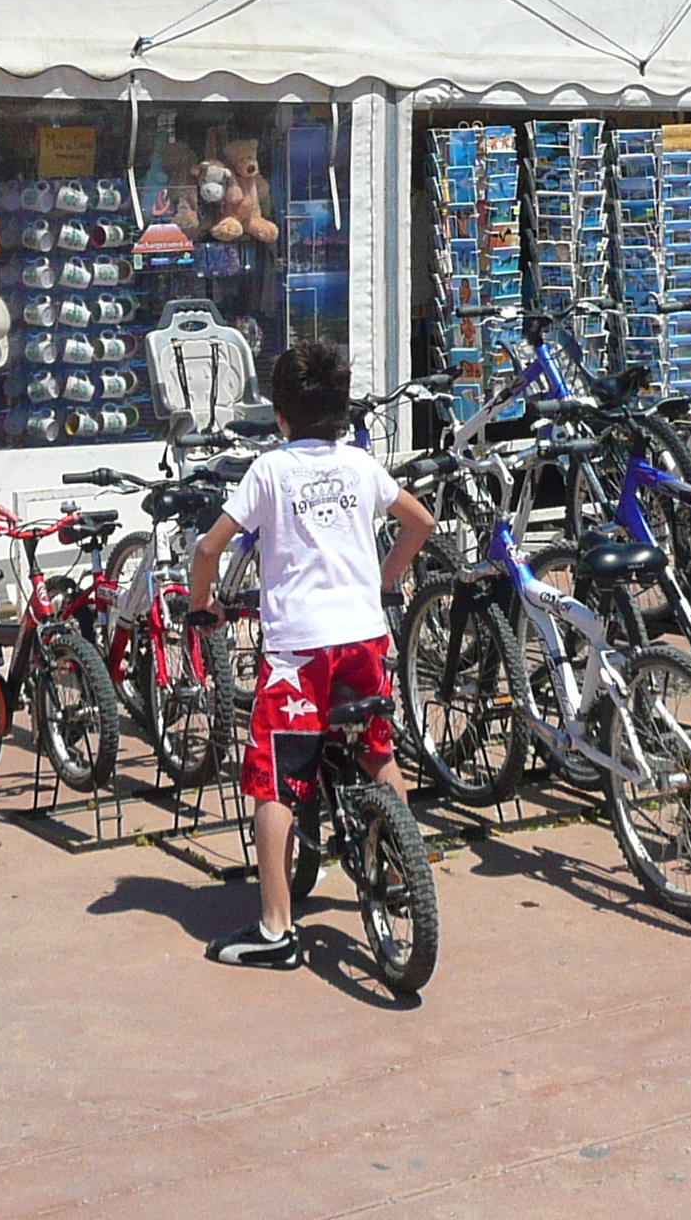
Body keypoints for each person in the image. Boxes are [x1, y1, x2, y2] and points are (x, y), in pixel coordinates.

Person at [185, 341, 434, 971]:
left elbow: (211, 548)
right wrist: (385, 580)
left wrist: (202, 605)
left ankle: (276, 929)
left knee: (275, 782)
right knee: (376, 751)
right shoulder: (360, 465)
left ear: (281, 416)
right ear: (344, 412)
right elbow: (421, 523)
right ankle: (402, 873)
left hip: (299, 649)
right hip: (364, 637)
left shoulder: (270, 471)